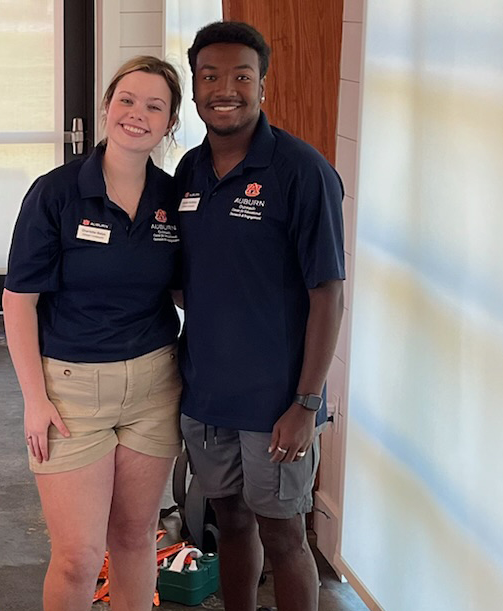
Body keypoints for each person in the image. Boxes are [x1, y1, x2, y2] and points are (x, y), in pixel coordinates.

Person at [173, 22, 346, 611]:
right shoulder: (190, 172)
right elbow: (186, 275)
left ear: (262, 87)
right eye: (210, 76)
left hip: (277, 404)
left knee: (284, 534)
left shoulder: (302, 172)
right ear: (194, 89)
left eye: (242, 76)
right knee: (230, 524)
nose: (226, 89)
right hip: (206, 396)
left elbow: (328, 294)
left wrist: (304, 405)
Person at [2, 55, 186, 611]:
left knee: (134, 539)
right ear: (107, 107)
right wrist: (34, 399)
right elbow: (18, 301)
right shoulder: (56, 193)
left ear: (171, 123)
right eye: (127, 100)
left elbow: (184, 290)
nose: (138, 114)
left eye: (155, 106)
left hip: (155, 385)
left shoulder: (172, 198)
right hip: (71, 391)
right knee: (80, 556)